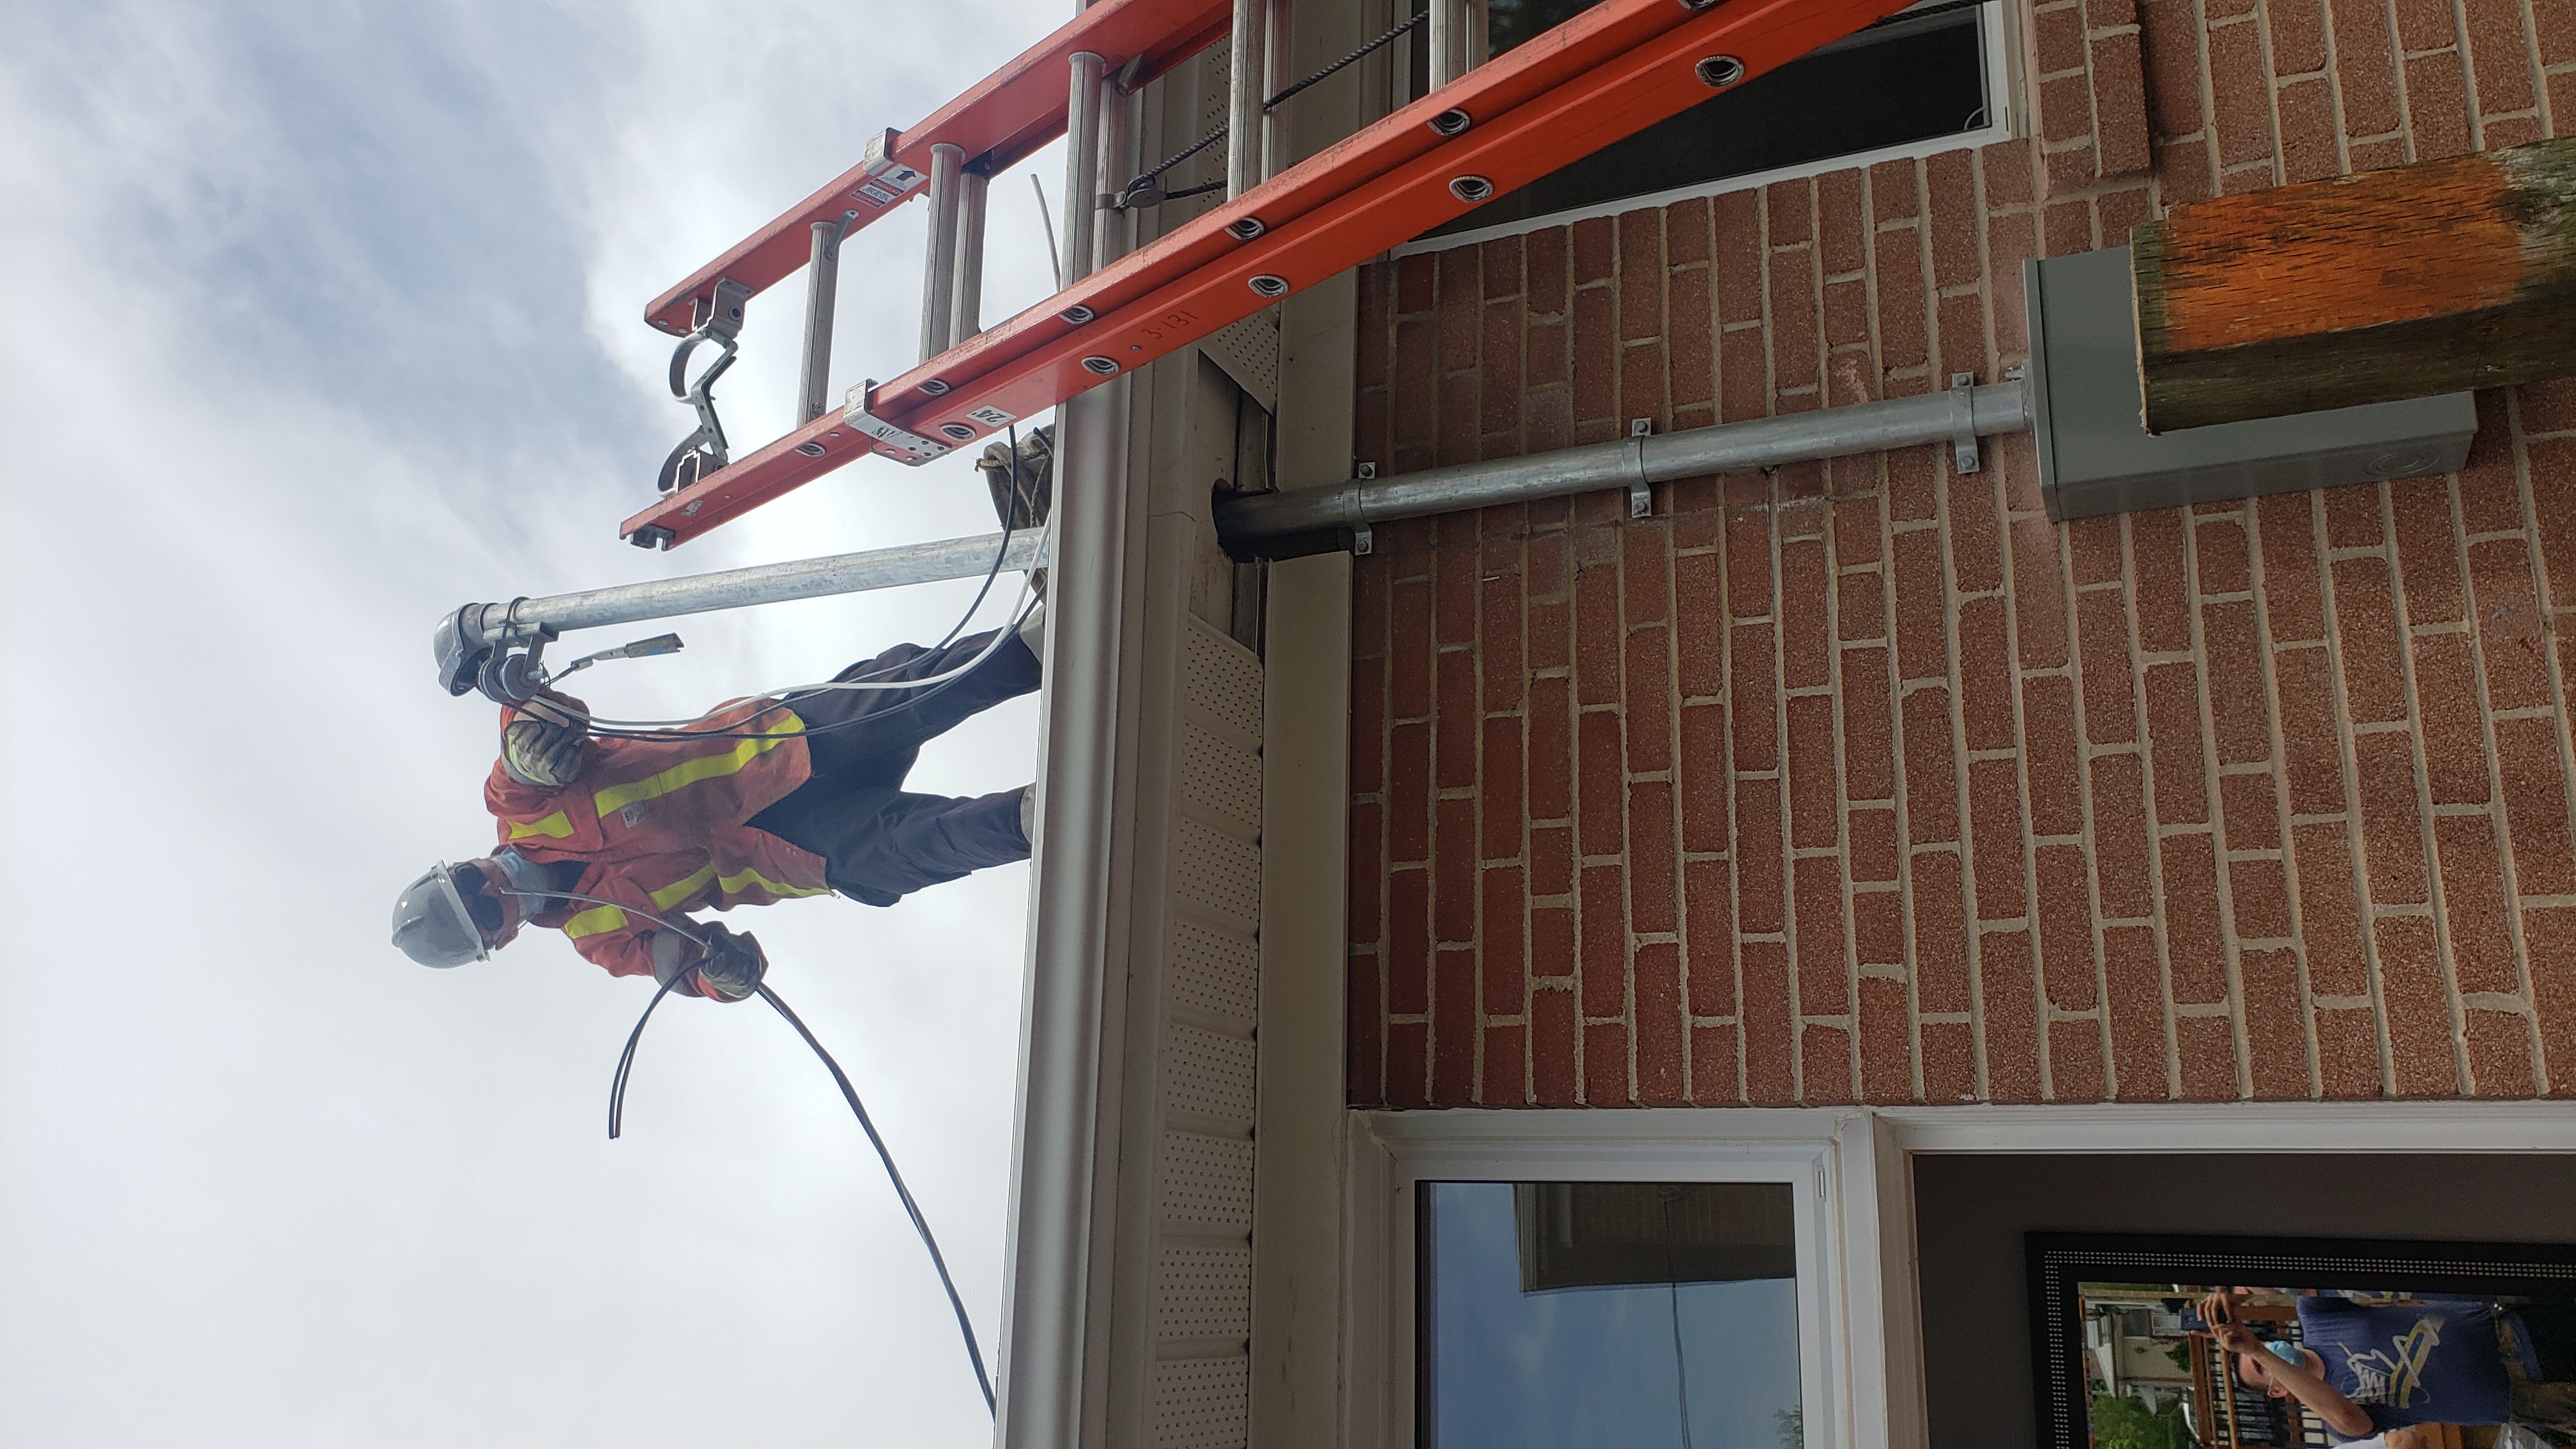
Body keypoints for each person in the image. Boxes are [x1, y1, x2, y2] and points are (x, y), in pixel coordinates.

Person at [392, 429, 1057, 1002]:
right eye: (484, 916)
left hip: (774, 747)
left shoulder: (522, 807)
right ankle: (1043, 820)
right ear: (502, 940)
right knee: (896, 853)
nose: (492, 894)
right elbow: (686, 970)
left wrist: (530, 746)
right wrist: (725, 974)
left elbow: (528, 725)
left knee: (909, 695)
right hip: (787, 849)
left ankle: (1050, 640)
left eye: (471, 884)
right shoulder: (602, 937)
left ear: (468, 863)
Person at [2202, 1289, 2576, 1446]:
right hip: (2531, 1396)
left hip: (2513, 1330)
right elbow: (2349, 1418)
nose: (2270, 1351)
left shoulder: (2316, 1318)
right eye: (2261, 1365)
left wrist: (2237, 1293)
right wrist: (2256, 1351)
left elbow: (2302, 1276)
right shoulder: (2333, 1420)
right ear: (2277, 1390)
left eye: (2265, 1346)